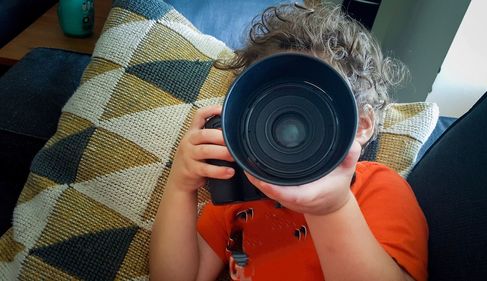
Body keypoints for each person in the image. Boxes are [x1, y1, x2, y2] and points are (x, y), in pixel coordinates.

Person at [149, 3, 428, 281]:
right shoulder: (238, 190)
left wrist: (332, 207)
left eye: (313, 108)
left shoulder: (377, 187)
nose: (291, 131)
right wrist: (181, 186)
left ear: (362, 126)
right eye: (275, 106)